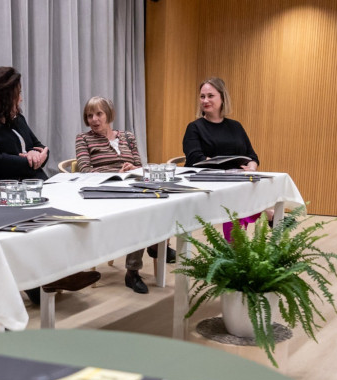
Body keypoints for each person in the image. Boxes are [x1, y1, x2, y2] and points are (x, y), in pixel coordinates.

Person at [0, 66, 98, 303]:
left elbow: (39, 145)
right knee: (36, 218)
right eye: (17, 93)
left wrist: (37, 155)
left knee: (67, 208)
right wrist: (28, 161)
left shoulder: (16, 119)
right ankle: (42, 281)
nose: (21, 98)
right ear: (1, 95)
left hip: (26, 186)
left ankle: (55, 273)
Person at [74, 96, 176, 294]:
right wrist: (115, 173)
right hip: (104, 191)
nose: (94, 119)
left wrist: (133, 168)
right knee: (139, 211)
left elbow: (139, 165)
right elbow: (85, 170)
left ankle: (157, 244)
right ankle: (134, 270)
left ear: (108, 114)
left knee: (161, 200)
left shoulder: (127, 136)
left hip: (132, 185)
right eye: (89, 115)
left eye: (99, 114)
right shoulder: (83, 138)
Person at [182, 77, 264, 239]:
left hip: (235, 182)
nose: (205, 100)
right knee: (237, 196)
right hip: (206, 184)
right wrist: (226, 169)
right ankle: (266, 214)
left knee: (245, 190)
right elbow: (194, 159)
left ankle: (235, 245)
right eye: (202, 96)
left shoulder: (236, 126)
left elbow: (251, 155)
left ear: (222, 98)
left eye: (210, 96)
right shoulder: (194, 127)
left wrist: (252, 167)